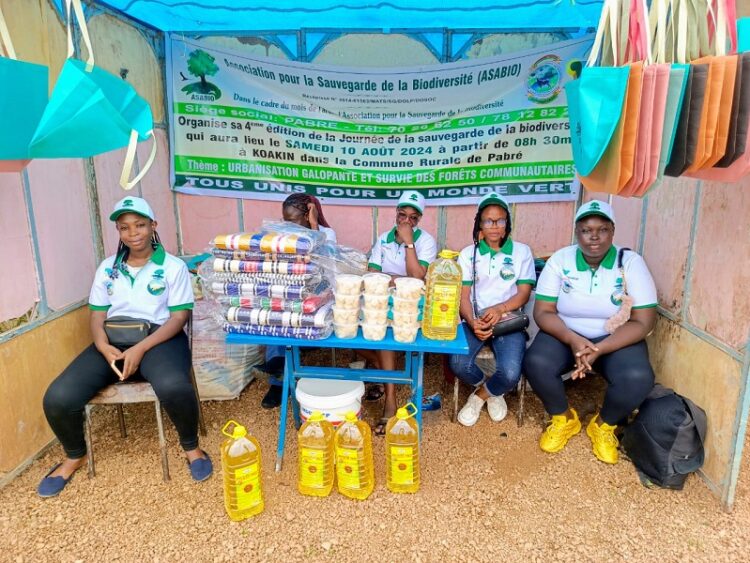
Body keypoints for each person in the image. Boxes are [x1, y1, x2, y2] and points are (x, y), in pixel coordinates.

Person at [38, 197, 211, 497]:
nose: (133, 233)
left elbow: (179, 317)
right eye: (125, 228)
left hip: (160, 338)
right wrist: (102, 345)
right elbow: (97, 315)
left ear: (153, 226)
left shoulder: (172, 267)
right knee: (58, 397)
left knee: (174, 387)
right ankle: (74, 455)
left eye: (140, 225)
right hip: (113, 340)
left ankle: (191, 448)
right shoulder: (108, 269)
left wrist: (141, 348)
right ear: (119, 231)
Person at [523, 200, 658, 464]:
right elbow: (543, 312)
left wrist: (599, 349)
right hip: (566, 331)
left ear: (613, 231)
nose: (593, 237)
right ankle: (564, 418)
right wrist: (573, 340)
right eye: (586, 230)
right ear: (577, 232)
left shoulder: (630, 263)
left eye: (602, 229)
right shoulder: (561, 260)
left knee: (639, 377)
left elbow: (644, 322)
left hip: (615, 336)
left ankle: (604, 425)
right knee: (535, 362)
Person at [449, 193, 535, 426]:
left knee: (509, 373)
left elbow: (523, 293)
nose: (494, 226)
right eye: (488, 220)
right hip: (475, 320)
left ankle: (480, 397)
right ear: (480, 224)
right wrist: (472, 320)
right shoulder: (468, 254)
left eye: (500, 220)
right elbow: (463, 296)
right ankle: (492, 389)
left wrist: (499, 309)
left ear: (508, 222)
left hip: (508, 320)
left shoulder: (522, 252)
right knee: (458, 364)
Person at [364, 190, 437, 435]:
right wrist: (398, 279)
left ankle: (391, 402)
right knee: (352, 331)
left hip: (410, 305)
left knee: (385, 337)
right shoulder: (383, 238)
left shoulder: (425, 241)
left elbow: (417, 277)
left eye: (413, 218)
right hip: (382, 299)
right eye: (402, 215)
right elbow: (371, 274)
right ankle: (390, 376)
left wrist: (409, 242)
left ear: (419, 220)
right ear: (396, 213)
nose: (406, 221)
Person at [257, 193, 337, 409]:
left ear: (309, 213)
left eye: (292, 220)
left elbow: (323, 261)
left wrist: (312, 225)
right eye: (285, 220)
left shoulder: (326, 233)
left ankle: (282, 370)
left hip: (319, 289)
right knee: (275, 308)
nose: (288, 225)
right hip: (292, 288)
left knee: (292, 308)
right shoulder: (283, 235)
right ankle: (277, 381)